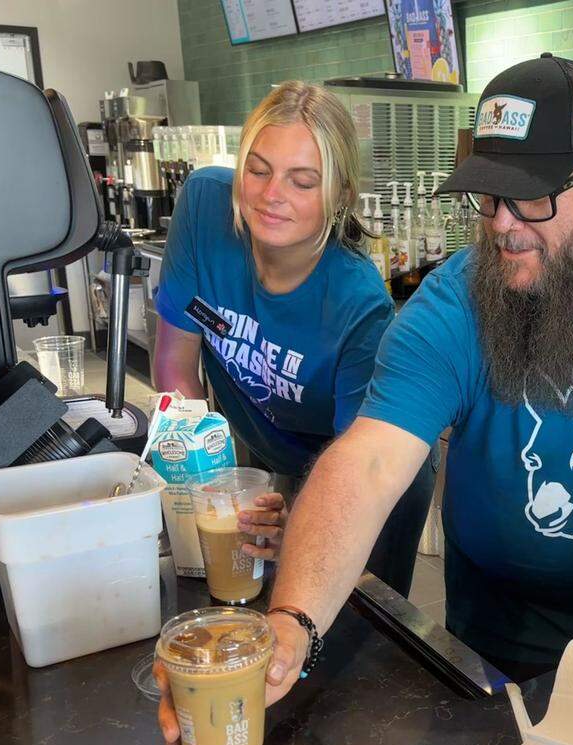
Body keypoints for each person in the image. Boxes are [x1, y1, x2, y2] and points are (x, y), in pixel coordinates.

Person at [159, 54, 573, 745]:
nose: (504, 226)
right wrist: (291, 629)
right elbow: (366, 463)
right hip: (487, 664)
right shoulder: (457, 301)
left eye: (532, 198)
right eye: (487, 198)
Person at [152, 81, 434, 595]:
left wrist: (306, 527)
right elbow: (175, 363)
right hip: (266, 456)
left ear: (340, 195)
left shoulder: (357, 305)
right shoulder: (203, 210)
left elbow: (358, 474)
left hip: (367, 478)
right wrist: (207, 479)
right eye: (257, 170)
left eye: (302, 182)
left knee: (357, 624)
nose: (271, 195)